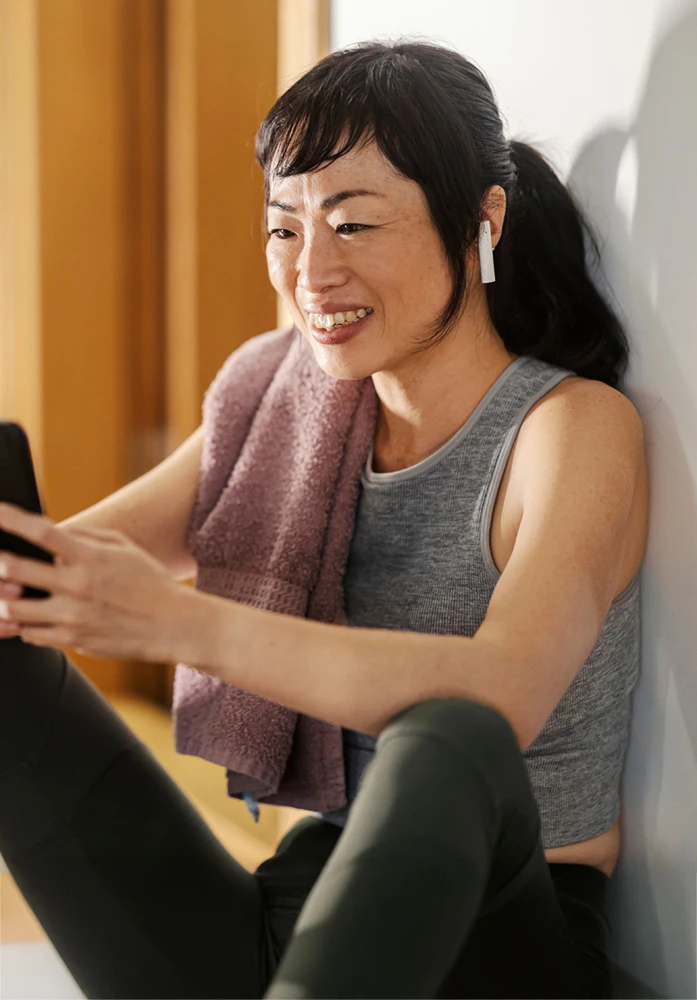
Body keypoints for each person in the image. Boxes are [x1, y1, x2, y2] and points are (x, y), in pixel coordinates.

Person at [0, 40, 648, 1000]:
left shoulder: (571, 430)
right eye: (284, 230)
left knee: (453, 731)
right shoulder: (285, 397)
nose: (311, 273)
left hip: (495, 940)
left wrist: (177, 623)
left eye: (351, 225)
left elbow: (503, 692)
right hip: (293, 916)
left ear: (482, 220)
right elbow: (70, 562)